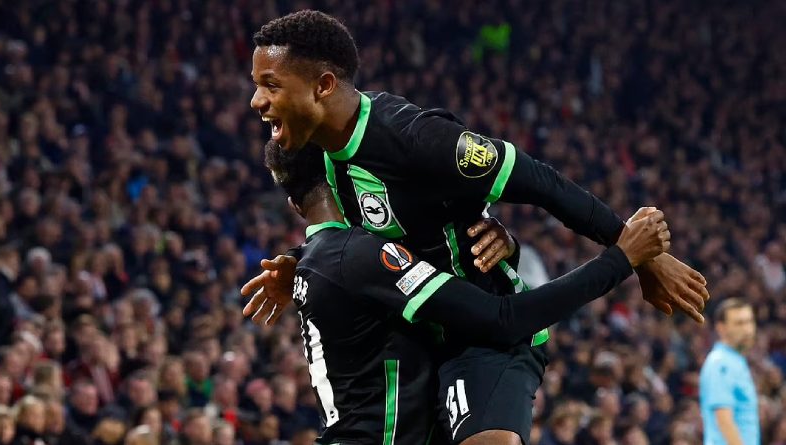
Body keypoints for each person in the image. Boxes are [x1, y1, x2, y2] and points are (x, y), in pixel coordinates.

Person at [243, 10, 708, 445]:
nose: (257, 101)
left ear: (323, 85)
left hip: (488, 335)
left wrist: (641, 253)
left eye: (271, 85)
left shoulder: (416, 138)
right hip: (420, 340)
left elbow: (539, 181)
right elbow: (352, 250)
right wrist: (300, 265)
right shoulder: (321, 161)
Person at [261, 140, 669, 444]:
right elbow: (502, 319)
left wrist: (504, 244)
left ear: (296, 205)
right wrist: (620, 259)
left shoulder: (316, 262)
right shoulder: (361, 255)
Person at [699, 298, 759, 445]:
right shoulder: (721, 363)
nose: (747, 329)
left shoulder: (735, 360)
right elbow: (724, 422)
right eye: (739, 323)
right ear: (721, 328)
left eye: (749, 321)